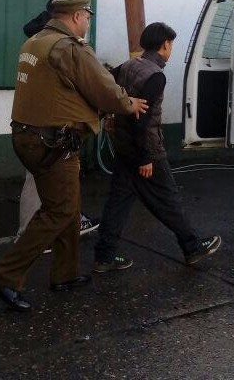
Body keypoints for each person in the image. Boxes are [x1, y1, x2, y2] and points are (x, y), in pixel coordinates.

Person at [0, 0, 149, 312]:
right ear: (77, 16)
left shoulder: (35, 42)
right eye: (87, 17)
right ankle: (6, 276)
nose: (87, 22)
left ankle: (65, 274)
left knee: (70, 207)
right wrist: (129, 103)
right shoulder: (70, 48)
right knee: (58, 211)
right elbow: (105, 91)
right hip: (55, 143)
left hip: (29, 137)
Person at [93, 22, 221, 273]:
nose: (171, 48)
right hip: (146, 149)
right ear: (164, 45)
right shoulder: (155, 76)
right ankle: (193, 247)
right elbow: (141, 121)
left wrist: (111, 115)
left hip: (123, 146)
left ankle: (104, 256)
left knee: (117, 202)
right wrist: (145, 159)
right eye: (171, 44)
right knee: (167, 199)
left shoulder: (128, 66)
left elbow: (107, 86)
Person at [17, 0, 99, 243]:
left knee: (49, 180)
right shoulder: (58, 39)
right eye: (83, 14)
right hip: (50, 125)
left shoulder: (38, 35)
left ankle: (67, 226)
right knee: (43, 179)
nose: (85, 19)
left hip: (34, 120)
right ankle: (30, 235)